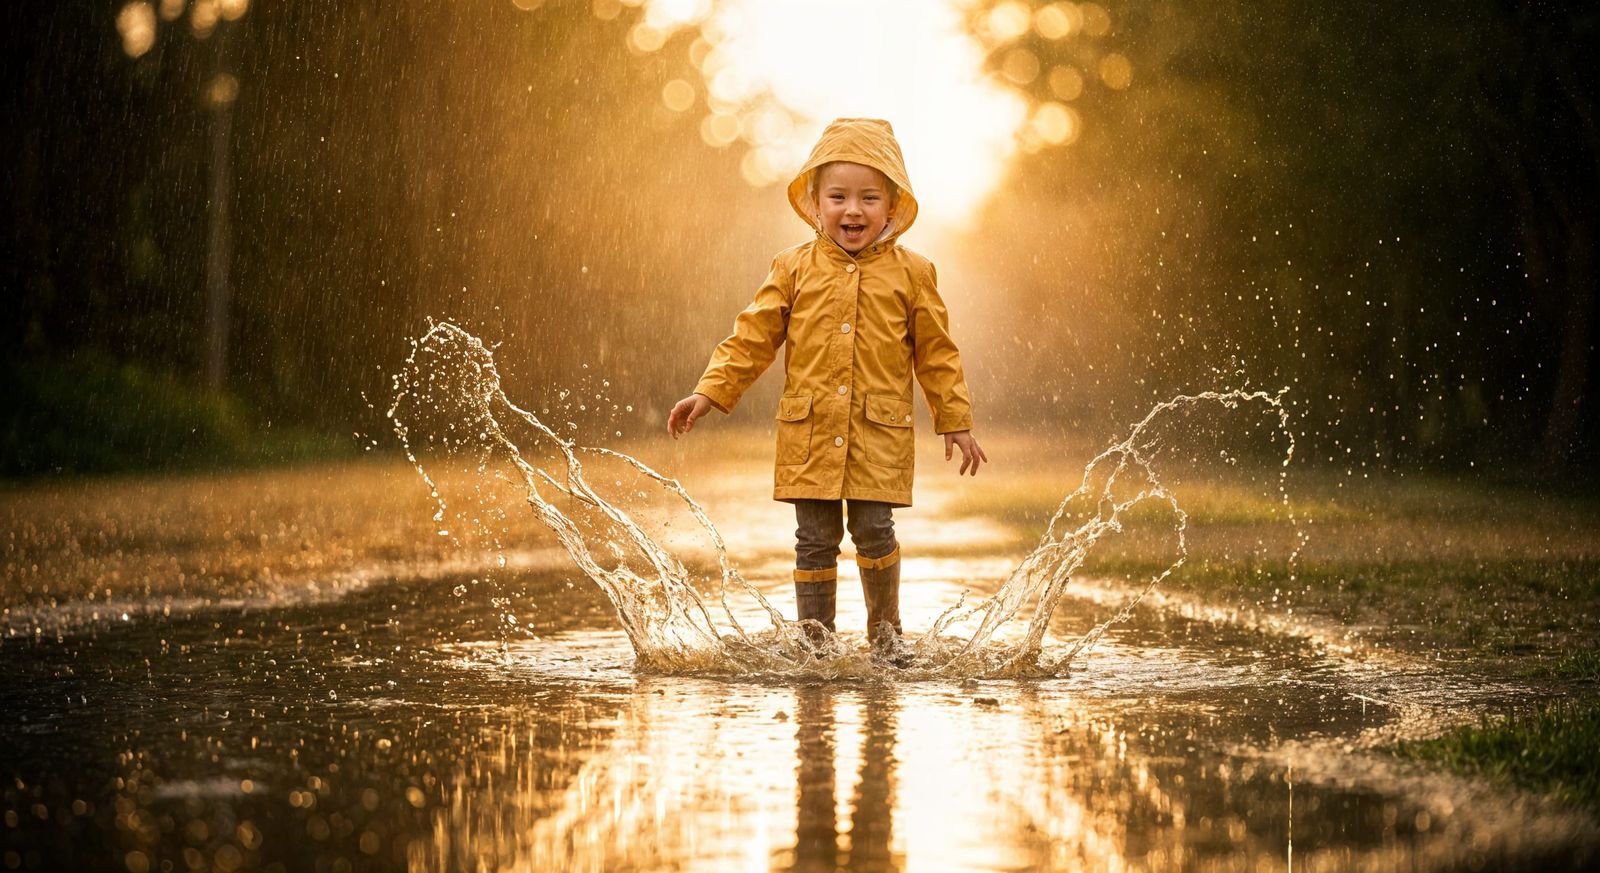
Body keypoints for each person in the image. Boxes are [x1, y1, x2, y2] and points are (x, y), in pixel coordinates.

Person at [667, 117, 986, 658]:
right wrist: (709, 392)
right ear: (815, 204)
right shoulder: (792, 267)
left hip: (877, 432)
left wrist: (954, 418)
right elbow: (753, 337)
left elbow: (936, 353)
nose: (852, 210)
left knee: (874, 531)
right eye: (837, 196)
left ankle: (886, 641)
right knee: (814, 540)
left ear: (893, 207)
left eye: (869, 198)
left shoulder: (913, 273)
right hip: (809, 432)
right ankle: (816, 646)